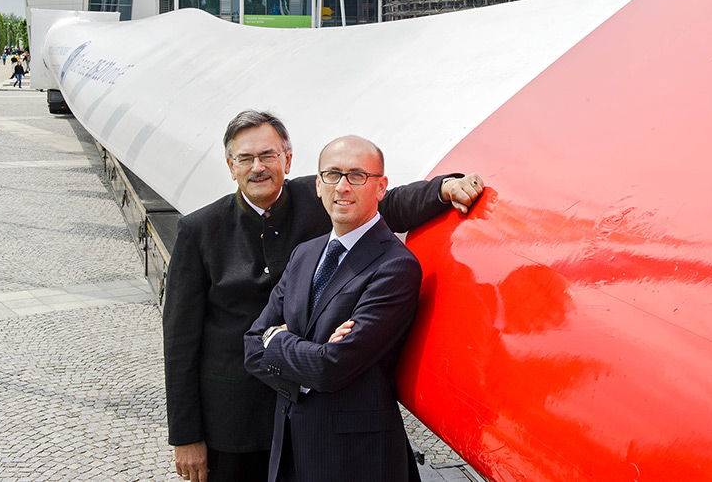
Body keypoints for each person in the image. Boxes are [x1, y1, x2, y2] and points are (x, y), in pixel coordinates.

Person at [163, 111, 483, 482]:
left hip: (315, 418)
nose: (258, 168)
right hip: (236, 423)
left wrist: (442, 189)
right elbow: (180, 341)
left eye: (268, 155)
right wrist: (186, 437)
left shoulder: (321, 194)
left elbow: (385, 203)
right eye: (245, 158)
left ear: (287, 159)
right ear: (230, 165)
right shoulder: (199, 229)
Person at [244, 135, 424, 482]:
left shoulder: (395, 266)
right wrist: (311, 351)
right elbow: (251, 346)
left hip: (355, 461)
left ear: (381, 187)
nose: (342, 187)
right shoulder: (305, 254)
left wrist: (278, 341)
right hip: (291, 449)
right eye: (332, 174)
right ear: (318, 184)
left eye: (357, 175)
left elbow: (332, 367)